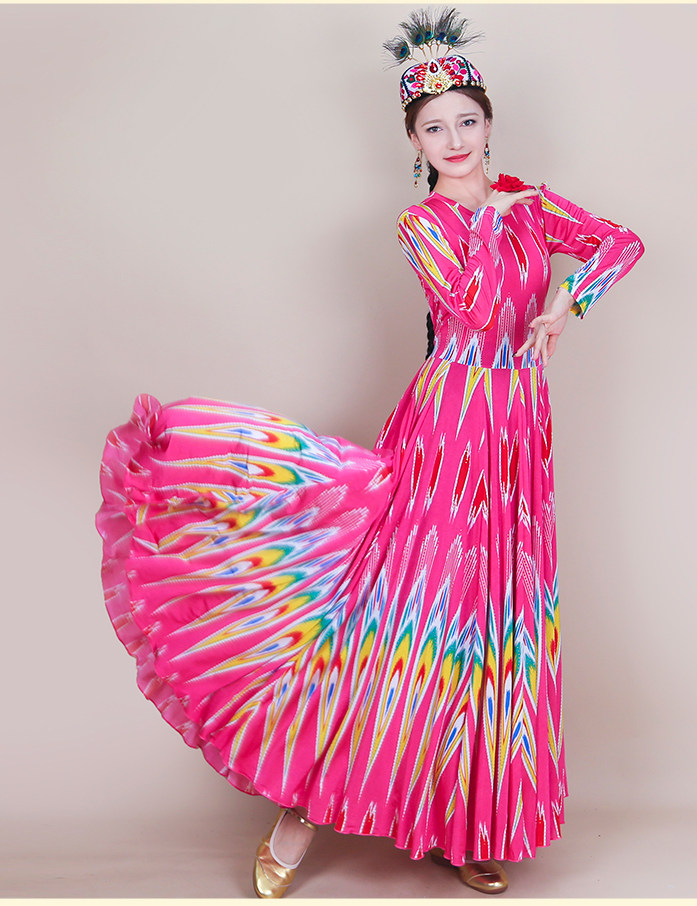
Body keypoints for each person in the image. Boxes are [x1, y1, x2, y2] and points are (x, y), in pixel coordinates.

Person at [95, 8, 644, 899]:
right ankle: (299, 812)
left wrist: (564, 305)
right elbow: (470, 307)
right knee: (403, 617)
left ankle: (463, 822)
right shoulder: (423, 224)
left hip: (518, 439)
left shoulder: (533, 204)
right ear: (414, 143)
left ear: (490, 122)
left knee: (491, 626)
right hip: (449, 428)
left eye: (468, 121)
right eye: (436, 128)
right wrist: (494, 222)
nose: (456, 140)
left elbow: (622, 243)